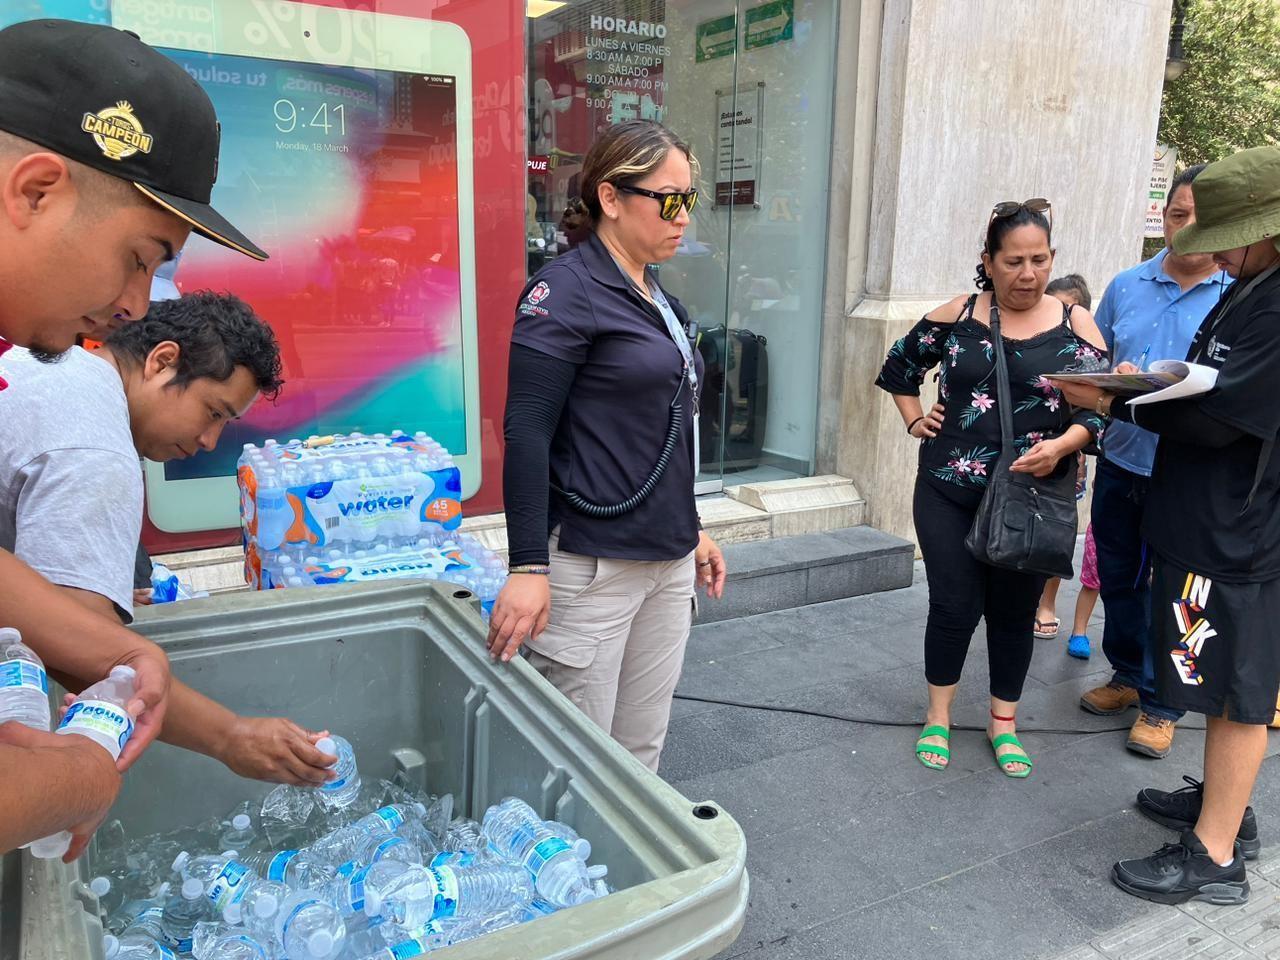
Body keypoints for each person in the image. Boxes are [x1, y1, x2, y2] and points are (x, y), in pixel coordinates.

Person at [0, 19, 267, 856]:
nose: (133, 302)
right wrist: (82, 774)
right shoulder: (94, 440)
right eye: (139, 256)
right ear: (36, 191)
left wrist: (115, 649)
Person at [1055, 145, 1280, 905]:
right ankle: (1227, 808)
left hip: (1238, 530)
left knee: (1238, 688)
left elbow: (1221, 414)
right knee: (1211, 675)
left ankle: (1215, 857)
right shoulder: (1254, 285)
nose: (1212, 246)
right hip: (1203, 518)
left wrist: (1115, 402)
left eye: (1227, 231)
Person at [0, 292, 337, 787]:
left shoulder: (54, 363)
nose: (208, 441)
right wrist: (233, 736)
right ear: (162, 361)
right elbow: (84, 653)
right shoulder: (96, 449)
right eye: (213, 412)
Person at [487, 120, 727, 772]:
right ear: (611, 197)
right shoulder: (564, 292)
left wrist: (691, 527)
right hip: (593, 567)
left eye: (690, 201)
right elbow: (527, 429)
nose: (684, 218)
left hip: (667, 560)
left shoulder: (660, 298)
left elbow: (661, 424)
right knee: (575, 760)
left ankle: (626, 874)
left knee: (640, 752)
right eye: (669, 200)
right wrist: (529, 566)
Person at [876, 200, 1108, 778]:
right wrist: (913, 417)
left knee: (1014, 610)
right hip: (948, 488)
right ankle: (939, 715)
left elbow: (1105, 406)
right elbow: (900, 367)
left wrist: (1065, 444)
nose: (1027, 274)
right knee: (954, 605)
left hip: (1032, 497)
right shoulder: (958, 314)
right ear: (989, 261)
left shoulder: (1075, 324)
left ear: (1052, 258)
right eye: (1013, 261)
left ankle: (1003, 722)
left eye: (1039, 259)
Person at [1077, 164, 1228, 759]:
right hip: (1122, 458)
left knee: (1180, 588)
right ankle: (1126, 675)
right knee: (1118, 576)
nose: (1184, 227)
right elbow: (1099, 359)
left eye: (1198, 217)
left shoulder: (1238, 298)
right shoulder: (1126, 285)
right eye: (1176, 214)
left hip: (1188, 474)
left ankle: (1165, 703)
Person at [1032, 274, 1102, 659]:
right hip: (1024, 457)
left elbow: (1095, 410)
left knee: (1058, 530)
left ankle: (1047, 602)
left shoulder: (1086, 350)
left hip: (1067, 457)